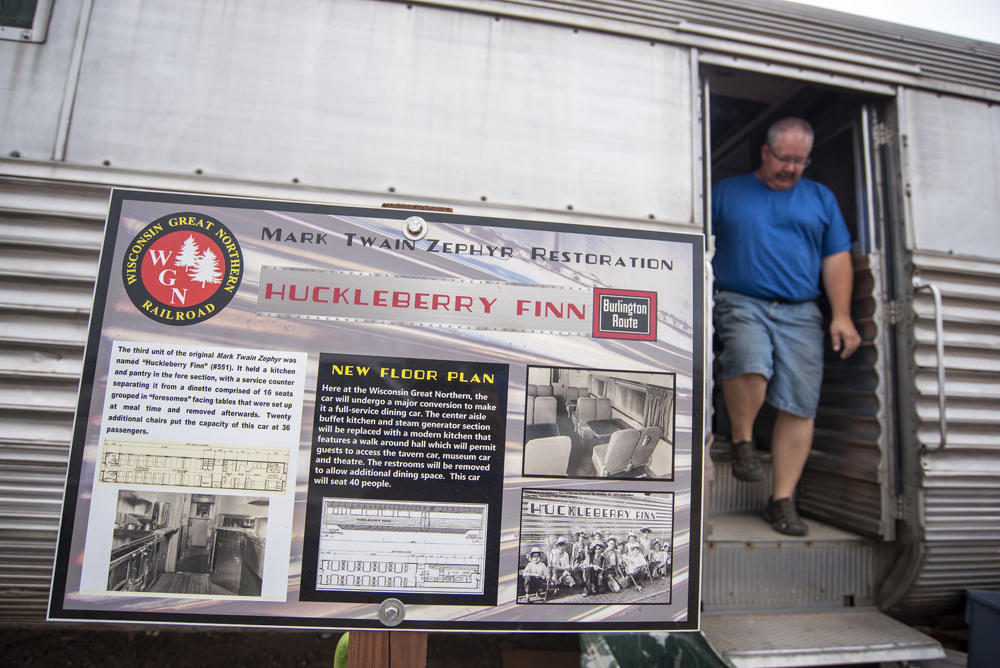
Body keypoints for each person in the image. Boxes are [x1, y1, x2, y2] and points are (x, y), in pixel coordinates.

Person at [713, 117, 861, 536]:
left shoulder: (821, 198)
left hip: (801, 309)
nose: (791, 168)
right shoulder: (727, 192)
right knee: (749, 359)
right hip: (740, 298)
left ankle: (781, 501)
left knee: (800, 402)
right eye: (784, 158)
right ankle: (743, 443)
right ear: (766, 152)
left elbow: (836, 259)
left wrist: (843, 315)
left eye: (800, 161)